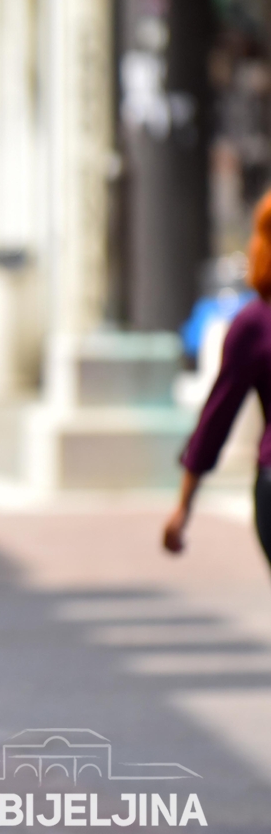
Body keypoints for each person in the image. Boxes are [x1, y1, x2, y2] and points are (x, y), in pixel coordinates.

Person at [167, 191, 271, 563]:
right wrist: (184, 506)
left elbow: (216, 416)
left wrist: (184, 506)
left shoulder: (255, 324)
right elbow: (218, 417)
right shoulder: (254, 324)